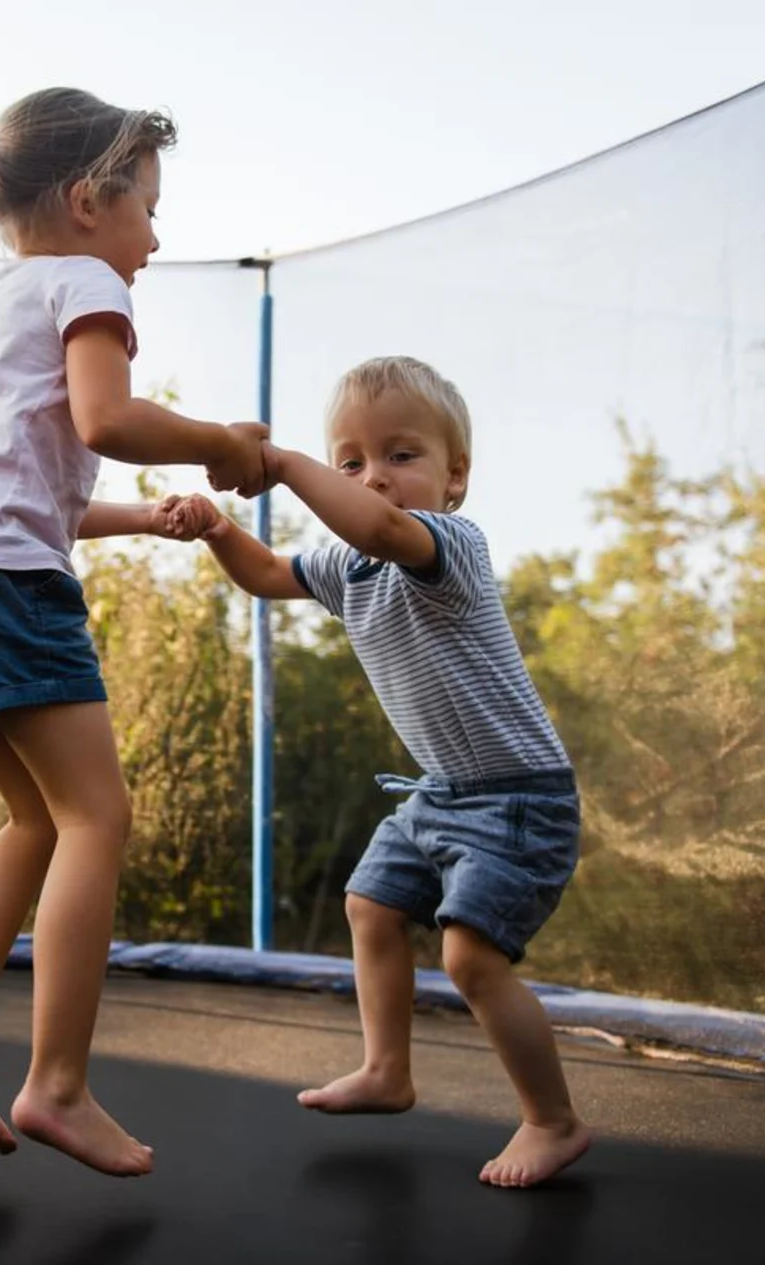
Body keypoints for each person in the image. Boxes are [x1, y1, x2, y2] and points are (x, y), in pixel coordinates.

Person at [0, 87, 268, 1178]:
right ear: (90, 200)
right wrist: (219, 444)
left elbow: (42, 487)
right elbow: (108, 420)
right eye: (147, 206)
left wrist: (149, 515)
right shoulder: (87, 282)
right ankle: (57, 1082)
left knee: (36, 819)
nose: (155, 236)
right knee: (97, 815)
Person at [162, 356, 590, 1188]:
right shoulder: (342, 567)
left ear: (454, 475)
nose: (373, 478)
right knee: (370, 905)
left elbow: (381, 529)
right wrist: (218, 529)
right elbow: (265, 575)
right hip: (438, 793)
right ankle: (387, 1072)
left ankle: (553, 1118)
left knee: (469, 959)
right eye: (350, 460)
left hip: (518, 797)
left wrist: (285, 463)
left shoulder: (449, 544)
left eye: (401, 455)